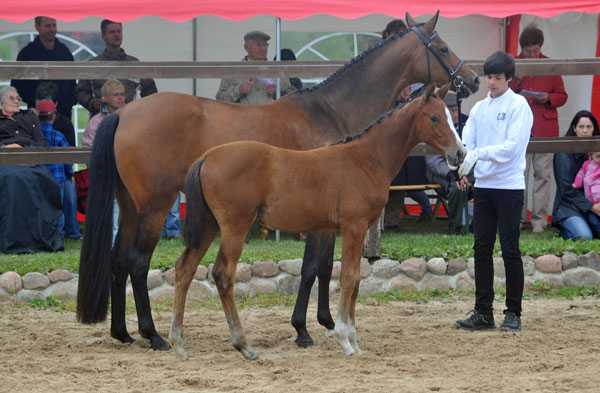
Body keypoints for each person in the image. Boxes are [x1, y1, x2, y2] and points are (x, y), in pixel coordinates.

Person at [455, 51, 533, 332]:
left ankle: (513, 312)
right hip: (485, 187)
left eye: (498, 78)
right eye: (489, 77)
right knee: (481, 249)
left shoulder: (519, 106)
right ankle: (483, 311)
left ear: (509, 78)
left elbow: (512, 149)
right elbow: (467, 143)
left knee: (510, 249)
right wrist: (463, 169)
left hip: (509, 186)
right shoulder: (478, 109)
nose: (492, 83)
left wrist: (477, 156)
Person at [510, 24, 568, 233]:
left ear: (540, 47)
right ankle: (517, 218)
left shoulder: (550, 65)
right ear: (522, 49)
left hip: (545, 127)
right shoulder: (513, 63)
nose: (532, 54)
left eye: (535, 50)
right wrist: (515, 83)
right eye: (528, 51)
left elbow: (562, 96)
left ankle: (539, 221)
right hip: (520, 128)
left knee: (542, 175)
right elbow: (505, 95)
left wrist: (548, 98)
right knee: (519, 174)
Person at [0, 86, 63, 253]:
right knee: (15, 179)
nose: (16, 101)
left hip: (29, 160)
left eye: (17, 98)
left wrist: (23, 147)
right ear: (0, 104)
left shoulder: (29, 118)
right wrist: (5, 146)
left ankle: (39, 239)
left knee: (43, 179)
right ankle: (15, 240)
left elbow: (42, 143)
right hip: (4, 162)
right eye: (11, 98)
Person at [76, 19, 157, 117]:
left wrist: (140, 109)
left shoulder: (134, 64)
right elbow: (80, 92)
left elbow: (150, 90)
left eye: (119, 31)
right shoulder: (94, 64)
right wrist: (92, 102)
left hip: (128, 121)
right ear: (103, 36)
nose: (116, 35)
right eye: (112, 32)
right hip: (101, 123)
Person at [82, 79, 126, 242]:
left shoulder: (134, 117)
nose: (120, 98)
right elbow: (88, 149)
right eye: (116, 94)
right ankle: (114, 241)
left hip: (131, 170)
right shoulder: (96, 122)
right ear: (105, 98)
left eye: (122, 94)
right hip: (107, 172)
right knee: (114, 207)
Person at [11, 16, 77, 120]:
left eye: (54, 25)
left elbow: (73, 81)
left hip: (62, 113)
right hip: (36, 113)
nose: (52, 29)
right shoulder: (27, 53)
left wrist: (69, 101)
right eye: (47, 26)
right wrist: (36, 101)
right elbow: (17, 84)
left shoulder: (64, 52)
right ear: (37, 27)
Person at [551, 111, 600, 240]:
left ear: (594, 129)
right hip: (569, 206)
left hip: (594, 202)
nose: (585, 131)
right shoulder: (564, 152)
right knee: (585, 237)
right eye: (581, 127)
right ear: (574, 128)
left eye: (589, 127)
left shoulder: (597, 150)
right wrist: (592, 207)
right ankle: (563, 230)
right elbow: (566, 189)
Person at [36, 99, 82, 239]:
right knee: (59, 206)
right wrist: (70, 173)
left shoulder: (35, 136)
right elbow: (67, 157)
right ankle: (61, 233)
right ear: (54, 116)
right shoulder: (58, 136)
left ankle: (49, 232)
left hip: (41, 177)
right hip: (59, 177)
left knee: (47, 206)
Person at [216, 31, 296, 104]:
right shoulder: (233, 71)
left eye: (265, 44)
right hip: (242, 119)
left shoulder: (277, 70)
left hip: (270, 118)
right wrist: (238, 90)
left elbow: (293, 98)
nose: (263, 48)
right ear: (246, 47)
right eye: (258, 44)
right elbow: (219, 100)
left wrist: (277, 92)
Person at [443, 91, 474, 235]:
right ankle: (455, 225)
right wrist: (455, 173)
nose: (456, 114)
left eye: (457, 110)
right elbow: (433, 161)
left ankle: (479, 222)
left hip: (470, 168)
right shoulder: (438, 128)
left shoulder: (468, 123)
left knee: (488, 183)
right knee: (458, 189)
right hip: (446, 171)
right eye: (452, 111)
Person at [35, 82, 76, 146]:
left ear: (55, 104)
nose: (44, 106)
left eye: (48, 103)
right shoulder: (30, 122)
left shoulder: (65, 123)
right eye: (41, 103)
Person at [572, 152, 600, 234]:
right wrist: (576, 184)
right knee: (593, 220)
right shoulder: (587, 165)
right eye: (598, 156)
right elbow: (581, 174)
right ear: (591, 154)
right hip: (592, 202)